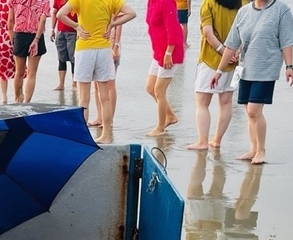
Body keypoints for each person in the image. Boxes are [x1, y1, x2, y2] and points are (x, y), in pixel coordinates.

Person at [209, 0, 293, 164]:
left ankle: (261, 151)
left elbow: (287, 41)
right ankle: (253, 149)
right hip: (245, 69)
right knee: (249, 112)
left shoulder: (281, 10)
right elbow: (231, 45)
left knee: (254, 111)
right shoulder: (243, 12)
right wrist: (219, 71)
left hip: (266, 70)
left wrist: (289, 67)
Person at [57, 0, 135, 144]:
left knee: (83, 99)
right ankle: (106, 135)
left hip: (85, 49)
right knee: (105, 98)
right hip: (104, 49)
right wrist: (112, 24)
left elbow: (60, 14)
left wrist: (77, 26)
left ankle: (83, 137)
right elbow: (132, 13)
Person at [186, 0, 244, 151]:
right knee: (226, 101)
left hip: (211, 60)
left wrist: (222, 50)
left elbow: (207, 32)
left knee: (202, 102)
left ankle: (202, 141)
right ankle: (217, 140)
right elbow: (247, 30)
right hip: (236, 61)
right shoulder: (245, 2)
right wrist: (237, 51)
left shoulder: (209, 3)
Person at [144, 0, 183, 137]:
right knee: (150, 87)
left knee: (159, 91)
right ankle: (171, 116)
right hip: (159, 52)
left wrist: (168, 53)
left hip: (170, 53)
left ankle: (160, 128)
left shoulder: (166, 2)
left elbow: (174, 29)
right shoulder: (151, 2)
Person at [8, 0, 50, 103]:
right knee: (32, 73)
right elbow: (43, 20)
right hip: (36, 35)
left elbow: (10, 21)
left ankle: (18, 99)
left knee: (19, 72)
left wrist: (13, 40)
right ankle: (27, 102)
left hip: (19, 35)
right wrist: (36, 39)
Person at [50, 0, 76, 91]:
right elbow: (54, 12)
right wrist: (52, 29)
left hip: (73, 32)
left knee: (74, 58)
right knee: (61, 58)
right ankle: (61, 84)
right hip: (60, 31)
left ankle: (74, 83)